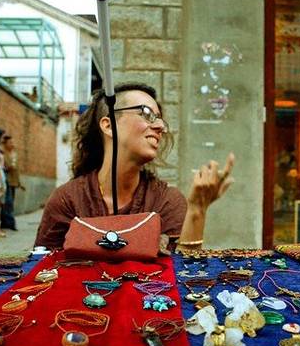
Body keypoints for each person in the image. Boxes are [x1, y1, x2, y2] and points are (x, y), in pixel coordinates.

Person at [35, 82, 234, 250]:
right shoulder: (68, 201)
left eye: (160, 119)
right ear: (108, 125)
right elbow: (41, 270)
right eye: (146, 113)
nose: (160, 127)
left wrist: (197, 210)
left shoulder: (166, 202)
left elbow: (184, 275)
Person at [0, 135, 22, 231]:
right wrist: (9, 167)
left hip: (14, 181)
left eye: (13, 142)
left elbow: (17, 169)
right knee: (7, 202)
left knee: (10, 202)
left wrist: (19, 182)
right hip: (6, 181)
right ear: (5, 144)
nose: (12, 144)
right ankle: (9, 222)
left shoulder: (14, 153)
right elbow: (3, 167)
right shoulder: (3, 154)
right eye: (10, 142)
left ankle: (6, 222)